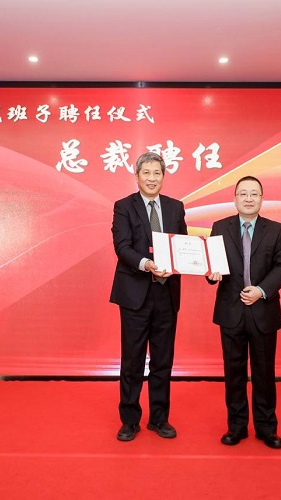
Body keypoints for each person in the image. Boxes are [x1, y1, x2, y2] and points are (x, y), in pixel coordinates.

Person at [110, 152, 188, 442]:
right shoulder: (123, 206)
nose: (152, 178)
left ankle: (159, 418)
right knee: (132, 360)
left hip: (166, 293)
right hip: (135, 294)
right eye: (147, 173)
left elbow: (184, 245)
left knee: (163, 360)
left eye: (157, 173)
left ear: (163, 176)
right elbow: (122, 246)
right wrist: (147, 264)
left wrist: (195, 262)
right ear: (137, 176)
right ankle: (130, 420)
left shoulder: (175, 207)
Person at [207, 175, 281, 448]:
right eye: (243, 193)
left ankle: (267, 428)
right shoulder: (220, 227)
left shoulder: (276, 230)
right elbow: (212, 266)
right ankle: (237, 426)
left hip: (263, 310)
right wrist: (211, 274)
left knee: (264, 373)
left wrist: (261, 290)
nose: (249, 198)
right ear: (235, 198)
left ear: (262, 199)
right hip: (230, 311)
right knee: (234, 373)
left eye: (254, 193)